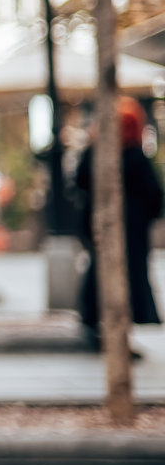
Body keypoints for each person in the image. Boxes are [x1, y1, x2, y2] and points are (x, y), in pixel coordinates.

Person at [75, 97, 163, 334]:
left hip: (104, 225)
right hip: (132, 228)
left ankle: (97, 320)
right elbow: (154, 195)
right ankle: (116, 328)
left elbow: (79, 182)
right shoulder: (134, 157)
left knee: (101, 271)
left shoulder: (98, 154)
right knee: (130, 275)